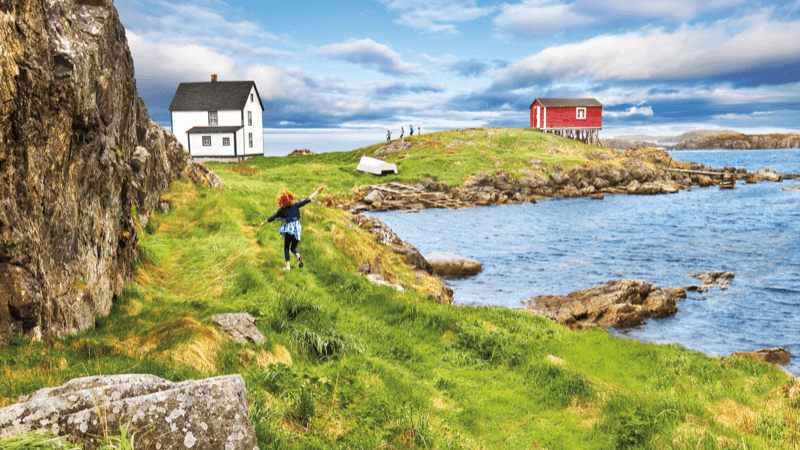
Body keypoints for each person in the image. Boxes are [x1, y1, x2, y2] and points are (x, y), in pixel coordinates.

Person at [259, 186, 324, 271]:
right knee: (293, 247)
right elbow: (307, 199)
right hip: (297, 226)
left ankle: (288, 266)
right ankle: (298, 256)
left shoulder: (281, 210)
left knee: (286, 247)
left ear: (281, 200)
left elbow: (273, 217)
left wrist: (263, 223)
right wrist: (317, 191)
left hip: (290, 227)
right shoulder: (295, 205)